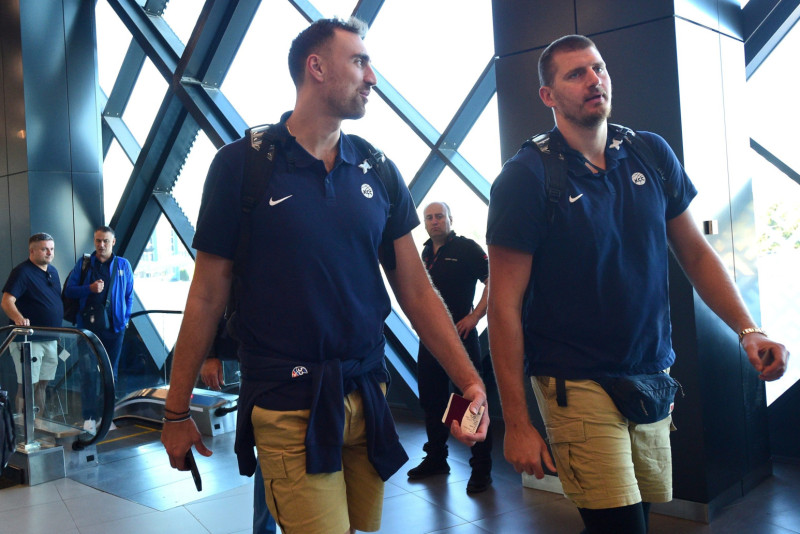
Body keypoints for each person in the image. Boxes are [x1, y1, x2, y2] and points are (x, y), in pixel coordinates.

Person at [161, 17, 489, 534]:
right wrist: (176, 412)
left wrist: (469, 380)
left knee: (359, 527)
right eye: (359, 62)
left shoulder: (377, 168)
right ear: (316, 67)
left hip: (367, 393)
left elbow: (416, 290)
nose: (372, 77)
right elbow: (205, 296)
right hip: (287, 401)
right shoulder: (243, 166)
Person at [486, 34, 790, 534]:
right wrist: (516, 423)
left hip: (651, 372)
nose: (594, 80)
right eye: (576, 74)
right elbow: (503, 306)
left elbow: (696, 252)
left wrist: (748, 330)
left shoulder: (649, 151)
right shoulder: (526, 176)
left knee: (640, 518)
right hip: (575, 380)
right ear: (548, 95)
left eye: (599, 68)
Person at [406, 201, 493, 493]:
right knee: (431, 400)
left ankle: (480, 469)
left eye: (439, 216)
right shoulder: (424, 253)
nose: (434, 221)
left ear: (450, 219)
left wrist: (475, 316)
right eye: (429, 217)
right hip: (430, 340)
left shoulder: (467, 248)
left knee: (469, 403)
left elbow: (493, 281)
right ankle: (436, 459)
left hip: (461, 337)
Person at [64, 226, 133, 430]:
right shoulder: (85, 263)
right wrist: (89, 288)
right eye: (98, 241)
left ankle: (107, 417)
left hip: (115, 329)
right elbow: (69, 291)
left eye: (105, 241)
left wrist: (125, 319)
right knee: (88, 373)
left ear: (113, 242)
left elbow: (129, 295)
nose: (101, 245)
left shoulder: (123, 265)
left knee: (111, 374)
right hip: (87, 328)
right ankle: (89, 417)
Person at [200, 355, 277, 534]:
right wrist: (211, 355)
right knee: (268, 456)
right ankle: (264, 530)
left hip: (312, 367)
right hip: (266, 370)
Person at [2, 233, 63, 415]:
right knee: (27, 385)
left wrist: (57, 335)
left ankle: (38, 423)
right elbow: (7, 301)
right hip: (28, 341)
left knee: (43, 384)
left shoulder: (53, 272)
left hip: (50, 339)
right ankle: (23, 425)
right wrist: (19, 319)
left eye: (51, 249)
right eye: (44, 249)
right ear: (32, 251)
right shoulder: (22, 272)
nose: (49, 253)